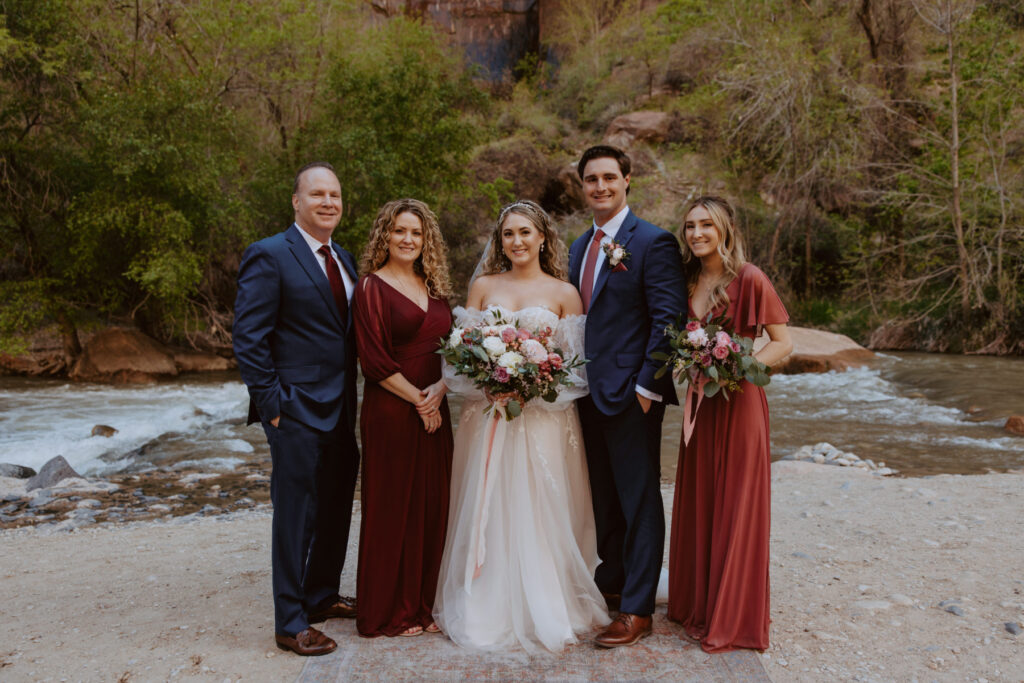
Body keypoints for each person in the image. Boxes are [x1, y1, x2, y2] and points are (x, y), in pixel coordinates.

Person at [433, 200, 610, 652]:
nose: (517, 241)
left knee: (540, 502)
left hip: (543, 419)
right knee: (489, 499)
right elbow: (458, 361)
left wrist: (531, 386)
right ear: (500, 239)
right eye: (509, 233)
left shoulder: (564, 294)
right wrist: (489, 382)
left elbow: (576, 370)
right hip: (488, 414)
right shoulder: (482, 286)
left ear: (543, 237)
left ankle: (548, 602)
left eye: (525, 232)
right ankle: (485, 600)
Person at [233, 162, 360, 656]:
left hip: (341, 409)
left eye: (335, 194)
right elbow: (249, 336)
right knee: (295, 514)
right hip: (295, 409)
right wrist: (273, 407)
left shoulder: (344, 258)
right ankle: (290, 621)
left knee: (334, 506)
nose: (328, 202)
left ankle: (321, 594)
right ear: (296, 201)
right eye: (317, 194)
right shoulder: (269, 254)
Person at [568, 145, 686, 648]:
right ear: (582, 187)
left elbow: (668, 321)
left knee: (638, 500)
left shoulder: (653, 242)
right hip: (585, 395)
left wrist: (645, 388)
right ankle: (612, 586)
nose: (600, 187)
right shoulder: (578, 247)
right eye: (591, 179)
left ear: (627, 180)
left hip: (631, 394)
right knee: (603, 497)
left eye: (609, 178)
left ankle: (638, 608)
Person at [666, 195, 792, 652]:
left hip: (740, 405)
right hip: (702, 405)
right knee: (702, 500)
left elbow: (782, 343)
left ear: (725, 229)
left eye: (706, 225)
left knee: (737, 504)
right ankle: (698, 603)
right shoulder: (686, 281)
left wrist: (738, 367)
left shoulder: (750, 278)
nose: (697, 233)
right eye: (690, 226)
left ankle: (733, 616)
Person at [353, 198, 455, 638]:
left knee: (434, 506)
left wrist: (441, 392)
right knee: (393, 507)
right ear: (385, 236)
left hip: (436, 406)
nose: (408, 239)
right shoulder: (371, 287)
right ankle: (390, 611)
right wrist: (420, 400)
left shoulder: (435, 289)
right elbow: (373, 361)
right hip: (394, 411)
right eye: (399, 231)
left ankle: (425, 605)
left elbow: (455, 352)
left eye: (416, 232)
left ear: (426, 239)